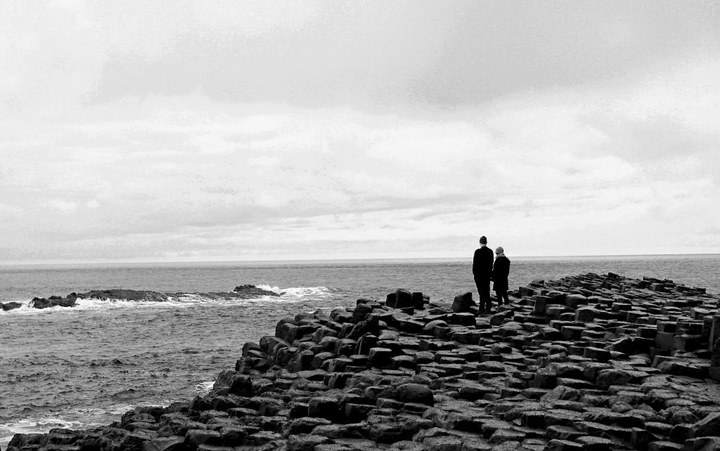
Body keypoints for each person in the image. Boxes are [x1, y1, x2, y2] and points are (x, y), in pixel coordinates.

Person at [472, 236, 494, 314]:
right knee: (486, 291)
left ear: (480, 242)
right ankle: (488, 307)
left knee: (481, 292)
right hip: (487, 275)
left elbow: (475, 265)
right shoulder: (490, 251)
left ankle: (481, 308)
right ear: (486, 242)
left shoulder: (477, 252)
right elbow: (491, 264)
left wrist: (475, 274)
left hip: (479, 275)